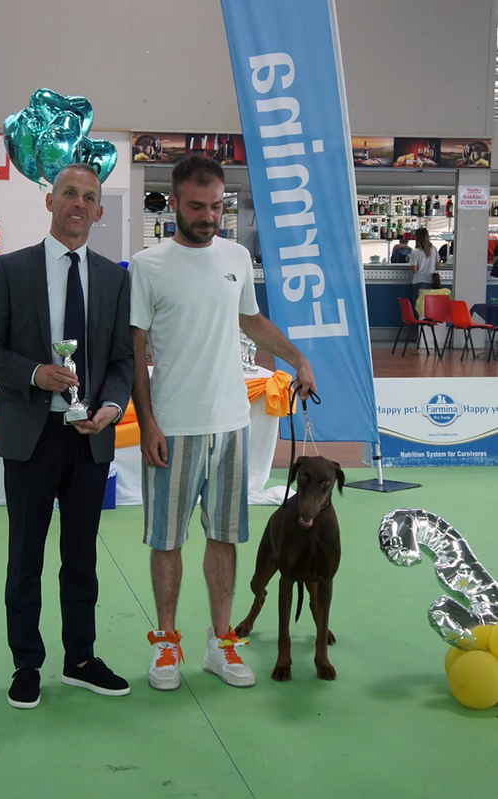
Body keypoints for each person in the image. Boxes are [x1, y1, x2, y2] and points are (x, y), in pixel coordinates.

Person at [130, 155, 316, 691]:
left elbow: (250, 320)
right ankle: (167, 645)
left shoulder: (236, 256)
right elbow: (135, 350)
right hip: (173, 427)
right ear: (173, 203)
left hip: (232, 425)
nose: (209, 216)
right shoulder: (147, 265)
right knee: (167, 541)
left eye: (216, 206)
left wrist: (298, 359)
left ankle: (221, 642)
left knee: (224, 538)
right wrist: (147, 424)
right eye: (197, 206)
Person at [0, 163, 134, 709]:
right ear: (50, 201)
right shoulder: (11, 269)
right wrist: (34, 374)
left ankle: (80, 659)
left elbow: (122, 360)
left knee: (81, 555)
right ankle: (26, 663)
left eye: (88, 197)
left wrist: (111, 406)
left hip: (89, 438)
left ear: (99, 211)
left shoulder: (114, 279)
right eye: (69, 193)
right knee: (25, 556)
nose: (78, 203)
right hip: (30, 435)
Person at [409, 227, 440, 311]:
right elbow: (437, 266)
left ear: (416, 238)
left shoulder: (415, 252)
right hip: (431, 281)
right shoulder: (434, 250)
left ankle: (419, 320)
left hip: (419, 282)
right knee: (430, 309)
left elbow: (415, 270)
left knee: (419, 309)